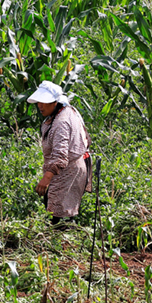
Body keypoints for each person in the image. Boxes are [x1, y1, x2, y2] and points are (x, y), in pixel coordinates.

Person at [28, 80, 91, 226]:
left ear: (55, 102)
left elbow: (61, 156)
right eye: (39, 101)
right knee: (58, 210)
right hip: (69, 169)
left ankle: (62, 245)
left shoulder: (61, 122)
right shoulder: (66, 111)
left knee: (59, 215)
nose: (40, 106)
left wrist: (46, 178)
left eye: (44, 102)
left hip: (68, 171)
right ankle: (62, 243)